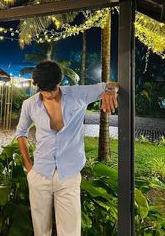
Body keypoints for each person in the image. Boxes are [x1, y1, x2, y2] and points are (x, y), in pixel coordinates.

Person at [15, 60, 119, 236]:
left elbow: (114, 84)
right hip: (40, 173)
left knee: (71, 232)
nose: (47, 94)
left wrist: (110, 91)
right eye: (43, 90)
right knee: (41, 231)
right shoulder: (29, 104)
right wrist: (29, 167)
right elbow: (21, 133)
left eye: (52, 89)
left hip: (68, 176)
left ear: (59, 83)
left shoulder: (78, 94)